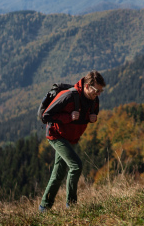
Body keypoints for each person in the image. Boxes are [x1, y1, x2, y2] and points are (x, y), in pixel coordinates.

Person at [39, 70, 105, 211]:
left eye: (100, 91)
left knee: (58, 174)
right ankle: (72, 206)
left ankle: (44, 208)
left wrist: (92, 118)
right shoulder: (69, 96)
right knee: (76, 165)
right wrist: (68, 117)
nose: (98, 94)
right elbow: (46, 115)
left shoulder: (94, 101)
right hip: (56, 135)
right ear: (87, 86)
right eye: (96, 90)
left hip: (71, 138)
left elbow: (86, 116)